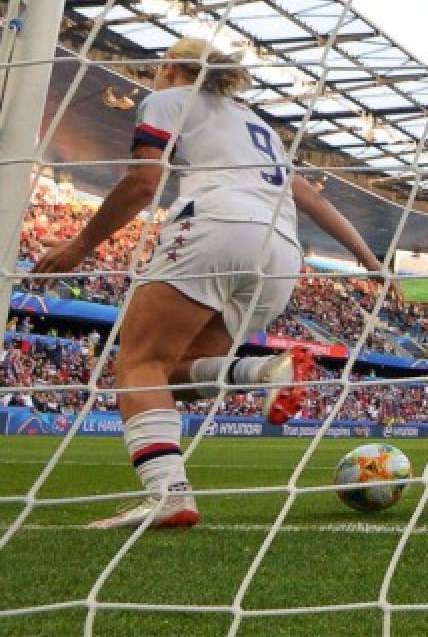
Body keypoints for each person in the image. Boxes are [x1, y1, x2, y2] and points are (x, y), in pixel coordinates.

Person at [33, 38, 394, 529]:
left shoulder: (166, 100)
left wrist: (80, 246)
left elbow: (143, 183)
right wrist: (370, 261)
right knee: (175, 371)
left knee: (138, 364)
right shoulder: (256, 124)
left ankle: (169, 494)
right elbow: (312, 198)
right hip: (281, 252)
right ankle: (263, 372)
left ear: (171, 67)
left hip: (215, 227)